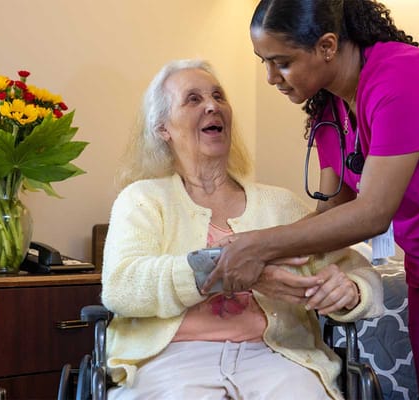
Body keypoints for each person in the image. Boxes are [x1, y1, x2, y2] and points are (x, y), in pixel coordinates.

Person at [201, 1, 419, 399]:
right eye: (263, 62)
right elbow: (334, 209)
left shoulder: (402, 76)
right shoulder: (329, 107)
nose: (270, 78)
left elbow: (371, 213)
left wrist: (260, 245)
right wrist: (256, 248)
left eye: (281, 62)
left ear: (327, 46)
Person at [100, 59, 383, 400]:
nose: (211, 106)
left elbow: (357, 270)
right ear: (163, 128)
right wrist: (229, 270)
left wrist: (349, 290)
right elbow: (122, 286)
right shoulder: (143, 199)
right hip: (172, 360)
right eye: (193, 99)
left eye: (218, 96)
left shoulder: (280, 205)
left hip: (278, 357)